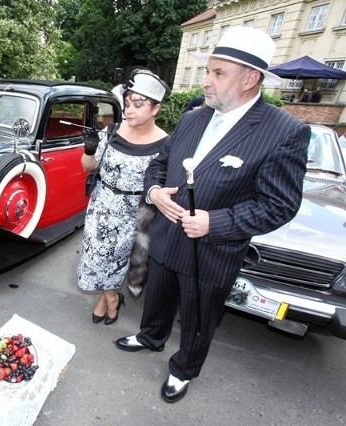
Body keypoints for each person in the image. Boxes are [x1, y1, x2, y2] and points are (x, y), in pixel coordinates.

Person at [115, 26, 310, 403]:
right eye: (207, 71)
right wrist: (155, 192)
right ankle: (151, 336)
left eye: (217, 73)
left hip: (213, 253)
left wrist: (214, 222)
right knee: (157, 295)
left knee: (198, 318)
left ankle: (184, 368)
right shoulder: (193, 118)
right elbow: (160, 164)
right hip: (167, 238)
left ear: (251, 78)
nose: (205, 81)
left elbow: (280, 205)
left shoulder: (286, 131)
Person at [77, 69, 169, 326]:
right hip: (102, 205)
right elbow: (89, 166)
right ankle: (112, 298)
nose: (129, 110)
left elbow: (164, 184)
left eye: (138, 105)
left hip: (135, 214)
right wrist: (89, 148)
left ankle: (108, 299)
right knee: (96, 257)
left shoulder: (166, 144)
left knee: (117, 261)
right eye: (127, 104)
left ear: (155, 109)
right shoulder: (112, 130)